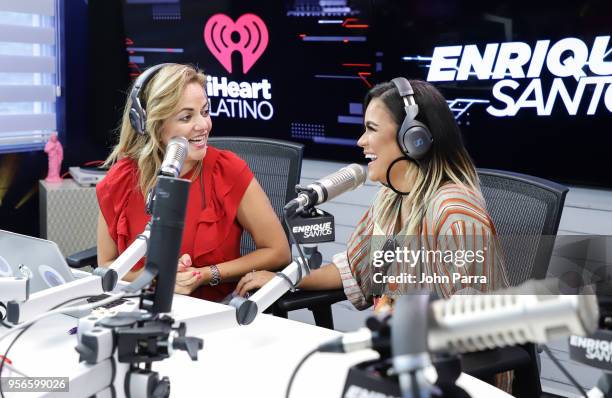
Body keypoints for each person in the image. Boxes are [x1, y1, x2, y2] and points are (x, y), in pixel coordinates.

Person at [235, 78, 512, 391]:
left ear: (414, 139)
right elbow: (353, 269)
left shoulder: (454, 212)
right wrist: (284, 280)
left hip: (455, 378)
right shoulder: (393, 196)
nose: (361, 141)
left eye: (371, 129)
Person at [96, 63, 291, 302]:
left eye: (205, 112)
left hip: (212, 314)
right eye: (187, 117)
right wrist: (155, 280)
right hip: (136, 310)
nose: (203, 125)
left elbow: (279, 252)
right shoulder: (121, 179)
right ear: (151, 123)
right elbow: (106, 265)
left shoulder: (228, 170)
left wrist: (205, 275)